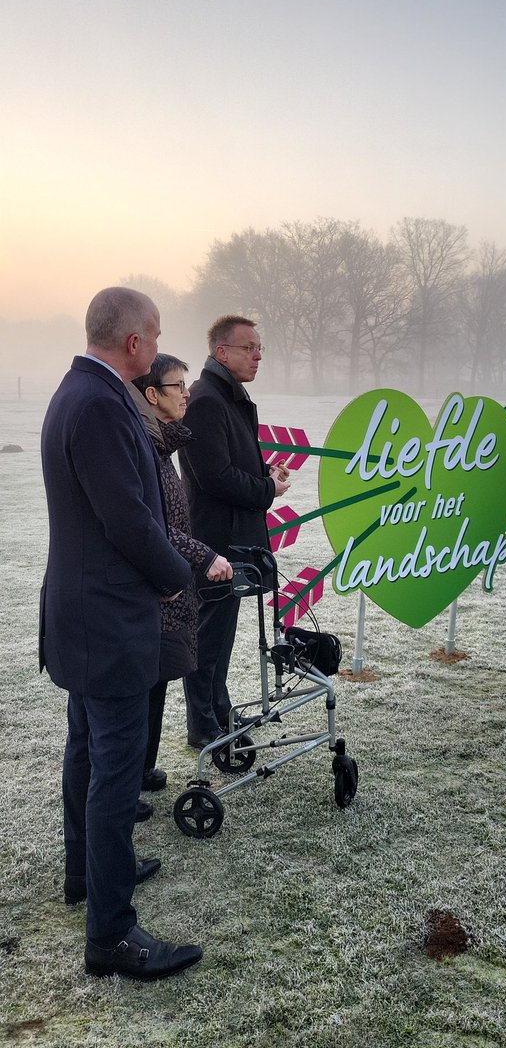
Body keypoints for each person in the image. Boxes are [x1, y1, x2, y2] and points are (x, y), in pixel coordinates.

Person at [40, 287, 203, 980]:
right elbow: (130, 520)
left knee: (87, 750)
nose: (157, 342)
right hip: (107, 619)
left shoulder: (74, 392)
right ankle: (111, 935)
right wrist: (176, 578)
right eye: (157, 333)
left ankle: (88, 873)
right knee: (113, 772)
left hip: (82, 614)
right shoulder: (103, 405)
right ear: (135, 342)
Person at [178, 315, 291, 747]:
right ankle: (203, 725)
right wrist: (267, 488)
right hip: (215, 540)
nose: (259, 356)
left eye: (260, 348)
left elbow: (230, 463)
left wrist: (264, 472)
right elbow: (214, 477)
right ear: (222, 352)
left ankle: (218, 712)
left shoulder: (229, 396)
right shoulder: (208, 399)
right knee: (209, 636)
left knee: (220, 634)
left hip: (230, 535)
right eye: (250, 348)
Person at [130, 353, 233, 791]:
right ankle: (130, 781)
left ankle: (142, 769)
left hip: (166, 588)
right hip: (153, 591)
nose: (186, 392)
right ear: (152, 395)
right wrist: (203, 556)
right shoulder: (145, 451)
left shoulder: (162, 445)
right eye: (177, 386)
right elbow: (155, 526)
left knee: (156, 684)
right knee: (143, 690)